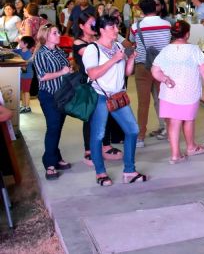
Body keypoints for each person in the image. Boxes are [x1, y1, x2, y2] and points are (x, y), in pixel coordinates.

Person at [83, 15, 145, 186]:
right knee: (98, 135)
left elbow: (126, 73)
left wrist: (131, 59)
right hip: (100, 96)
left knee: (132, 131)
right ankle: (100, 173)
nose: (117, 31)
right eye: (112, 28)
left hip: (118, 96)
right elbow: (93, 74)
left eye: (117, 27)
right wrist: (114, 59)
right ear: (101, 30)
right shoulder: (92, 49)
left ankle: (129, 171)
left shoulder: (118, 46)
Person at [151, 20, 204, 163]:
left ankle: (175, 155)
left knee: (173, 122)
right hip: (188, 92)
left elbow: (155, 70)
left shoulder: (165, 50)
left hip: (169, 93)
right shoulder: (194, 50)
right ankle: (191, 147)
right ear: (187, 34)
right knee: (189, 120)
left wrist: (165, 79)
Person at [73, 12, 123, 166]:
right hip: (88, 84)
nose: (95, 26)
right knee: (90, 118)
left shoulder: (100, 41)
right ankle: (89, 150)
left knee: (106, 114)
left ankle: (106, 146)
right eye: (91, 24)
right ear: (81, 26)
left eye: (96, 23)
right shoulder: (80, 44)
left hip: (105, 84)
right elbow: (94, 59)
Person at [129, 0, 171, 146]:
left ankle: (140, 136)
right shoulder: (167, 24)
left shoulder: (136, 27)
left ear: (141, 10)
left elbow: (132, 41)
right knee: (163, 99)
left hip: (143, 67)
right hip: (163, 67)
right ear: (156, 8)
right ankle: (169, 130)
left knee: (143, 102)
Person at [32, 23, 72, 180]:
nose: (59, 35)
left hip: (62, 94)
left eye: (58, 32)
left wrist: (69, 69)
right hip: (48, 95)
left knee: (57, 127)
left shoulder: (59, 51)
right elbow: (42, 76)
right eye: (55, 33)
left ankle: (55, 156)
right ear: (46, 36)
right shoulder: (41, 54)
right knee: (53, 126)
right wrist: (62, 72)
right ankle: (49, 163)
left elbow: (67, 66)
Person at [13, 36, 35, 114]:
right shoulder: (20, 51)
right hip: (22, 75)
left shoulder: (28, 54)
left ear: (26, 44)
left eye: (21, 42)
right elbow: (12, 51)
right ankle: (23, 106)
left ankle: (27, 107)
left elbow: (25, 66)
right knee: (23, 91)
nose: (19, 43)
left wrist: (23, 63)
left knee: (26, 91)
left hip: (27, 76)